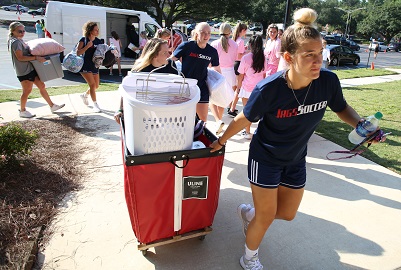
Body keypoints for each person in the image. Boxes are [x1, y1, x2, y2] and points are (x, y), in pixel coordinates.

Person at [210, 8, 372, 270]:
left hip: (296, 158)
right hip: (265, 158)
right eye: (309, 55)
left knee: (285, 213)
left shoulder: (328, 82)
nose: (318, 60)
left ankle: (248, 213)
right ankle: (249, 257)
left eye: (320, 53)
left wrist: (362, 125)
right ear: (289, 57)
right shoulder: (270, 89)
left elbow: (341, 108)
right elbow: (244, 119)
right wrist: (221, 141)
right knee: (266, 217)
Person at [8, 22, 64, 118]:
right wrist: (36, 58)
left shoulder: (18, 40)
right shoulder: (16, 42)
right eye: (19, 31)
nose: (22, 33)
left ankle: (52, 106)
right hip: (24, 71)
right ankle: (22, 111)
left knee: (41, 85)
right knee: (27, 91)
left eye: (23, 31)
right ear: (13, 31)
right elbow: (20, 58)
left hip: (29, 68)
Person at [114, 38, 178, 123]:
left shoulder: (171, 66)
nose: (168, 56)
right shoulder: (140, 69)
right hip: (144, 112)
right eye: (165, 53)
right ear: (154, 55)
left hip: (165, 111)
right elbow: (127, 89)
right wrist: (120, 110)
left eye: (168, 52)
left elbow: (178, 88)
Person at [170, 22, 221, 122]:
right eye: (203, 32)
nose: (206, 35)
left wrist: (220, 85)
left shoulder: (212, 51)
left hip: (201, 87)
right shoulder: (186, 46)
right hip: (184, 87)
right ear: (196, 33)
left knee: (202, 120)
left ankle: (199, 136)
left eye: (208, 33)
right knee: (182, 119)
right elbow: (171, 60)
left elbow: (217, 69)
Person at [236, 35, 267, 140]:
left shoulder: (246, 58)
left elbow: (241, 75)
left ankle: (247, 131)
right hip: (259, 88)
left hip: (247, 88)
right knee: (257, 112)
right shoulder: (263, 58)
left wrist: (238, 87)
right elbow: (264, 75)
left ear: (250, 44)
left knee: (247, 112)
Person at [210, 22, 238, 134]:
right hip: (229, 72)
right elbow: (235, 58)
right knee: (223, 99)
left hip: (217, 71)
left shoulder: (214, 43)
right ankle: (219, 119)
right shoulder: (234, 44)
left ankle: (218, 120)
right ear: (230, 32)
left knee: (212, 98)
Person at [77, 21, 103, 113]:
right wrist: (87, 47)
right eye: (95, 30)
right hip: (85, 66)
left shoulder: (98, 41)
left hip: (94, 65)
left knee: (96, 85)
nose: (97, 31)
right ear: (90, 30)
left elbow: (102, 50)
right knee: (92, 85)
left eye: (98, 30)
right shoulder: (83, 40)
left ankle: (84, 95)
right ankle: (95, 105)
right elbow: (78, 52)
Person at [229, 22, 248, 118]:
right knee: (238, 88)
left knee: (235, 87)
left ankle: (231, 106)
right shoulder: (240, 41)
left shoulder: (234, 40)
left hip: (234, 63)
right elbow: (240, 55)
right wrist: (247, 51)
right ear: (243, 30)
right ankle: (232, 108)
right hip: (239, 63)